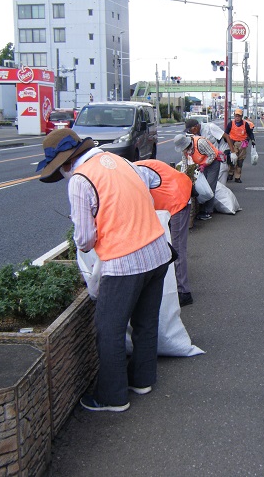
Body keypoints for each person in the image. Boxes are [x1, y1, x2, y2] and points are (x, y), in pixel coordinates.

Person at [37, 129, 172, 412]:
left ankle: (113, 397)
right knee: (146, 322)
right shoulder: (119, 160)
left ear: (64, 163)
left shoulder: (79, 179)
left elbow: (85, 238)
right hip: (158, 251)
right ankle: (142, 380)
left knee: (109, 328)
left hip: (124, 261)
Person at [136, 159, 194, 307]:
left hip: (177, 201)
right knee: (165, 245)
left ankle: (184, 292)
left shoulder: (137, 172)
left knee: (177, 246)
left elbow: (142, 199)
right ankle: (170, 283)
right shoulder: (133, 169)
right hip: (168, 200)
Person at [174, 133, 224, 221]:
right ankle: (202, 208)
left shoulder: (200, 143)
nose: (184, 151)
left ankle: (208, 211)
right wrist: (183, 176)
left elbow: (212, 154)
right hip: (202, 165)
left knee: (209, 187)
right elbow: (185, 163)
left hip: (213, 163)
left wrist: (205, 164)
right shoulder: (185, 150)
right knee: (202, 188)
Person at [184, 118, 235, 185]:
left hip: (219, 158)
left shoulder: (210, 127)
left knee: (220, 184)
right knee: (209, 185)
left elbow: (227, 137)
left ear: (196, 127)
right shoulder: (194, 135)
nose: (190, 132)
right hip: (207, 161)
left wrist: (233, 152)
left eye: (190, 129)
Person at [224, 108, 255, 183]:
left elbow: (250, 133)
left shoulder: (245, 124)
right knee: (232, 159)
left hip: (242, 144)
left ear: (241, 117)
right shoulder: (231, 123)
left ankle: (237, 177)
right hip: (233, 144)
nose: (237, 118)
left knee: (240, 161)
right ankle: (230, 174)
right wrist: (225, 140)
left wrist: (252, 140)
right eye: (236, 116)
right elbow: (226, 133)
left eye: (239, 116)